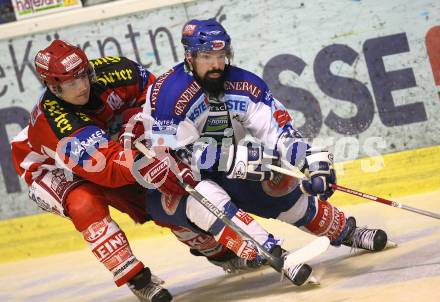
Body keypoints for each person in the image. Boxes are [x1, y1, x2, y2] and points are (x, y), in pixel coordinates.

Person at [138, 18, 390, 281]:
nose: (216, 64)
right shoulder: (169, 93)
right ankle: (275, 254)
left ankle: (347, 232)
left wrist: (310, 160)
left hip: (220, 168)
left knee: (279, 185)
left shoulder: (245, 85)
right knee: (207, 197)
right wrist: (236, 158)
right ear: (189, 57)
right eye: (206, 56)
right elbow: (178, 156)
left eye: (221, 55)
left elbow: (278, 132)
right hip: (171, 184)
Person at [10, 39, 204, 302]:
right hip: (48, 166)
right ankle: (137, 279)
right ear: (53, 87)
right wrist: (146, 158)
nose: (81, 87)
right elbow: (107, 168)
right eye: (69, 83)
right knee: (85, 203)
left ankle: (216, 250)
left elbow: (158, 98)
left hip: (102, 152)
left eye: (83, 75)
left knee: (153, 199)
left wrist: (147, 129)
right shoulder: (55, 123)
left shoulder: (117, 70)